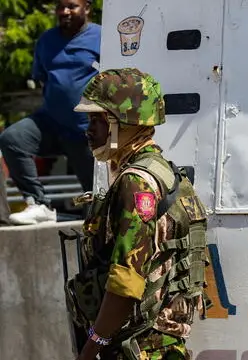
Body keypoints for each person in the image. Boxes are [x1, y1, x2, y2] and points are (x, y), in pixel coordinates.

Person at [65, 68, 210, 360]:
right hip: (158, 345)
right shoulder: (167, 173)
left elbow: (126, 281)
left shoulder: (136, 182)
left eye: (97, 119)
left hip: (137, 346)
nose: (89, 130)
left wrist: (93, 346)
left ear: (122, 122)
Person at [0, 0, 100, 225]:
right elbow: (45, 80)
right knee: (12, 139)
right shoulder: (47, 40)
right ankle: (38, 203)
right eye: (60, 6)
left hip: (87, 131)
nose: (65, 11)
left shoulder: (103, 37)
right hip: (51, 123)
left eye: (72, 6)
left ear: (87, 7)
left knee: (98, 206)